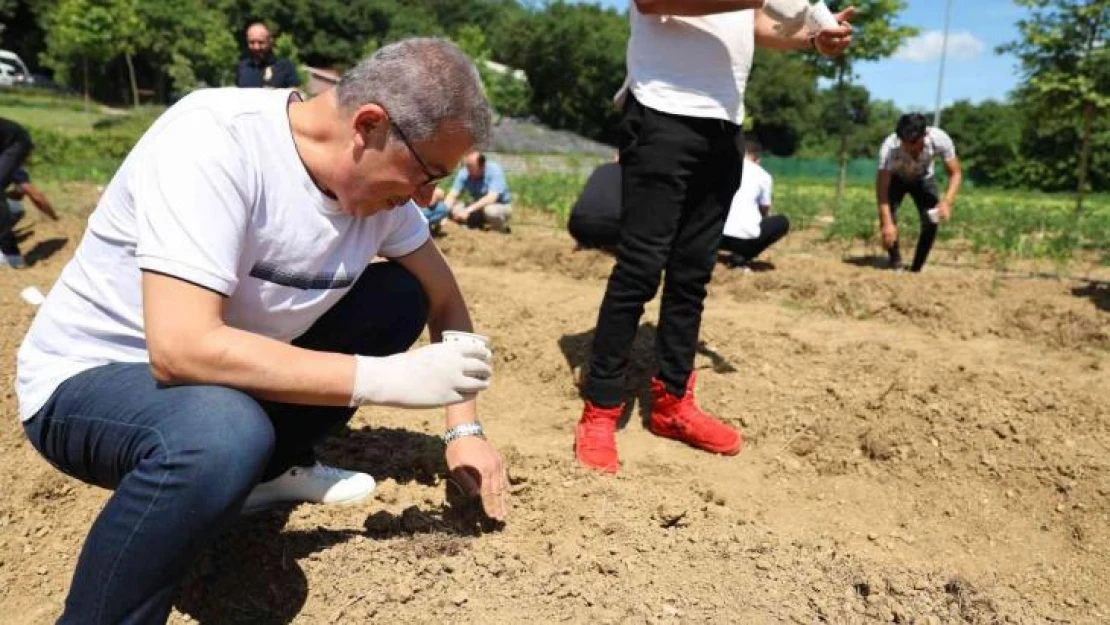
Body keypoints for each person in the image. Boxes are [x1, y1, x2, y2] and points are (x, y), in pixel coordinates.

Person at [16, 38, 509, 624]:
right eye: (427, 173)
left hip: (224, 382)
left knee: (401, 295)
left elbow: (444, 297)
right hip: (92, 381)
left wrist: (465, 429)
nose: (427, 199)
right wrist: (378, 378)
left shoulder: (387, 203)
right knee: (222, 433)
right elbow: (181, 350)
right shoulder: (216, 140)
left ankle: (267, 471)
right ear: (369, 125)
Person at [574, 0, 854, 474]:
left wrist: (810, 39)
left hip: (724, 127)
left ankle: (671, 403)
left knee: (692, 274)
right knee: (640, 268)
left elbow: (757, 25)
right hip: (662, 112)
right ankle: (601, 407)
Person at [876, 112, 962, 272]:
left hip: (923, 179)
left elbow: (956, 173)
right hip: (896, 179)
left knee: (931, 220)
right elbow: (882, 188)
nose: (909, 147)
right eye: (904, 142)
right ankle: (896, 263)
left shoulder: (939, 139)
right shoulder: (888, 148)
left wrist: (947, 202)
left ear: (925, 134)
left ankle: (916, 268)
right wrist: (887, 223)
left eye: (914, 142)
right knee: (888, 218)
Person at [720, 140, 789, 270]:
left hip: (714, 236)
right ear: (757, 159)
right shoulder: (762, 175)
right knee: (782, 221)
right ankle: (741, 257)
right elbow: (765, 208)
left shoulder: (722, 167)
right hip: (743, 240)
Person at [0, 118, 57, 268]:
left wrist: (55, 218)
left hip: (16, 142)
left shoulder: (9, 160)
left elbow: (33, 193)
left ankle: (10, 254)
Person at [426, 150, 512, 232]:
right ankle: (477, 223)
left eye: (471, 166)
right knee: (455, 209)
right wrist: (443, 214)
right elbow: (453, 194)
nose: (467, 169)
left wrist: (468, 210)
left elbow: (491, 198)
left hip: (499, 205)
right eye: (467, 166)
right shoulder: (465, 173)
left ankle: (500, 230)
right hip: (477, 206)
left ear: (482, 166)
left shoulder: (494, 171)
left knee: (490, 211)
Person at [3, 166, 60, 267]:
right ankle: (8, 257)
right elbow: (34, 195)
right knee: (15, 208)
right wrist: (54, 216)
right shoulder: (10, 161)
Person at [568, 160, 622, 253]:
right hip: (611, 227)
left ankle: (586, 243)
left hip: (577, 225)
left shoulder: (603, 168)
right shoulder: (640, 171)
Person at [235, 22, 302, 89]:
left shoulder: (285, 67)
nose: (256, 47)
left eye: (261, 42)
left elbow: (295, 97)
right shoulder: (242, 68)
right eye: (252, 42)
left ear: (270, 42)